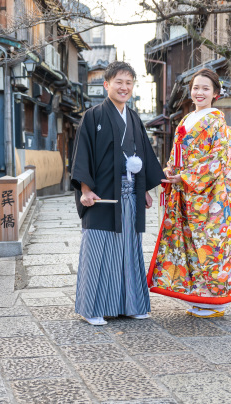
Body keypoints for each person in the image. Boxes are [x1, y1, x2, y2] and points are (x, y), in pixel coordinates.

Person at [71, 61, 165, 326]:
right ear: (106, 85)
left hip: (128, 195)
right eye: (118, 82)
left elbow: (143, 154)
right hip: (101, 196)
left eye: (129, 83)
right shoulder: (93, 116)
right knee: (99, 250)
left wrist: (144, 189)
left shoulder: (134, 118)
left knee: (128, 250)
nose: (124, 87)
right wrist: (85, 190)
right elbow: (82, 155)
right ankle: (92, 308)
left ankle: (130, 305)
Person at [148, 68, 231, 318]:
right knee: (190, 245)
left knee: (210, 244)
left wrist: (187, 176)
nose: (199, 92)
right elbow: (177, 155)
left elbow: (217, 161)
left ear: (215, 93)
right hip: (186, 193)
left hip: (208, 196)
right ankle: (199, 295)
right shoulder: (186, 119)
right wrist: (172, 171)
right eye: (195, 88)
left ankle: (216, 299)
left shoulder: (216, 122)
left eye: (205, 88)